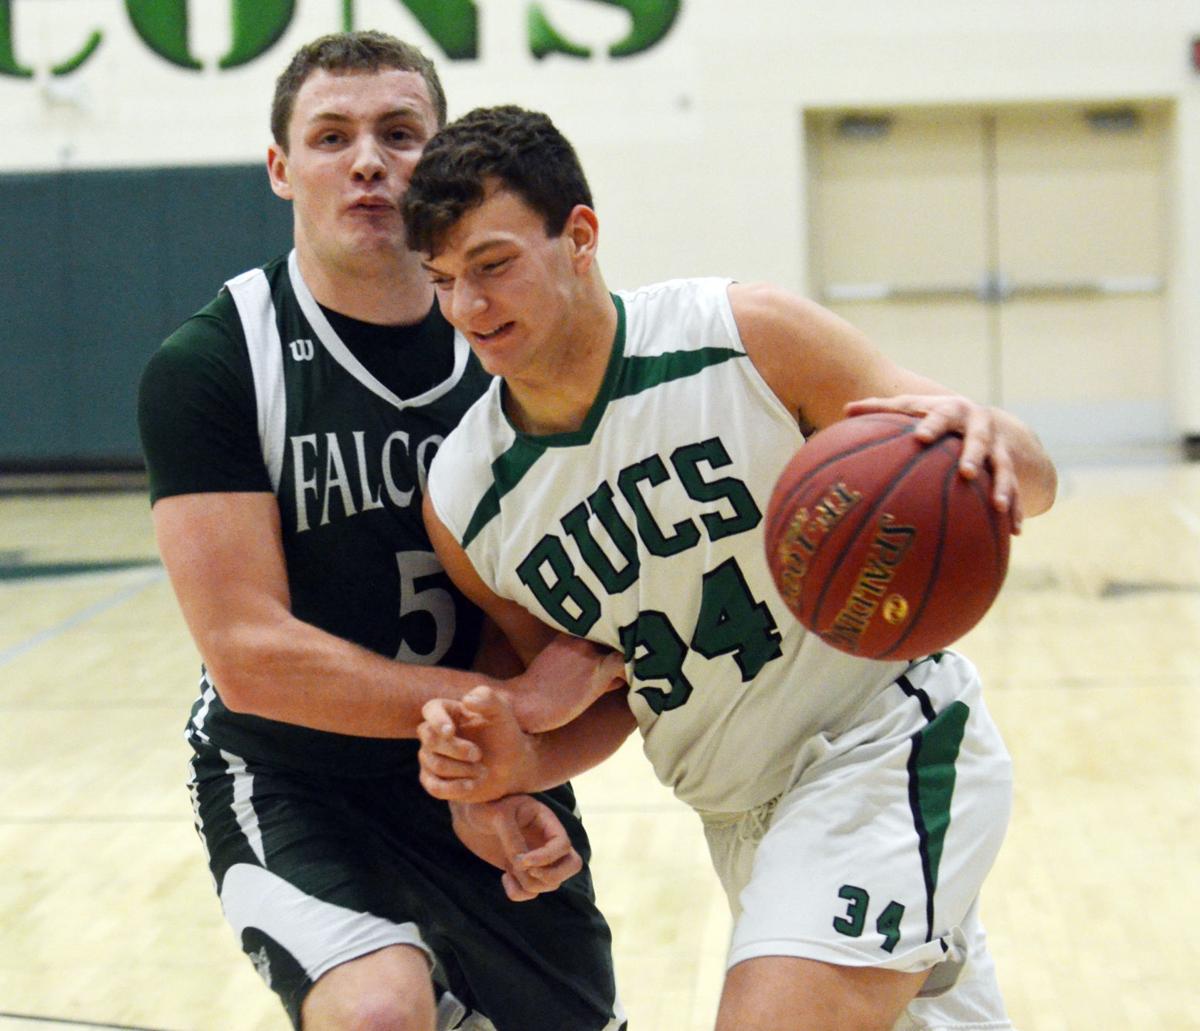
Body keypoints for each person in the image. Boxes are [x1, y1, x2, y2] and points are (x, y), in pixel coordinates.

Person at [402, 105, 1059, 1031]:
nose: (469, 306)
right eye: (443, 280)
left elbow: (1020, 475)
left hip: (884, 747)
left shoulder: (745, 338)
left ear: (579, 236)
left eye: (493, 265)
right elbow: (604, 694)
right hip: (738, 815)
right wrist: (514, 763)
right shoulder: (466, 500)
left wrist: (1004, 444)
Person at [137, 37, 627, 1031]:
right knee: (378, 1012)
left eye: (399, 133)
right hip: (289, 774)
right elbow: (250, 658)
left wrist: (503, 763)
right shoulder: (216, 361)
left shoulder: (513, 345)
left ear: (441, 158)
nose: (367, 159)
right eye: (331, 136)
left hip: (475, 756)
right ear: (281, 167)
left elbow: (557, 623)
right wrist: (509, 706)